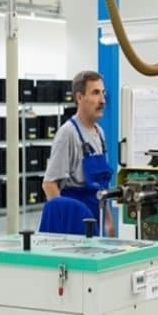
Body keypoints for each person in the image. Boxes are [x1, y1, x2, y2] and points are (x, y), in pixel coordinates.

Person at [42, 70, 115, 236]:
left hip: (97, 220)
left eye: (103, 93)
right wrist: (64, 227)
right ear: (79, 97)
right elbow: (49, 184)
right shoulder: (68, 133)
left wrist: (109, 225)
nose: (102, 100)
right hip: (75, 226)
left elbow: (102, 189)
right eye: (95, 93)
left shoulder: (100, 133)